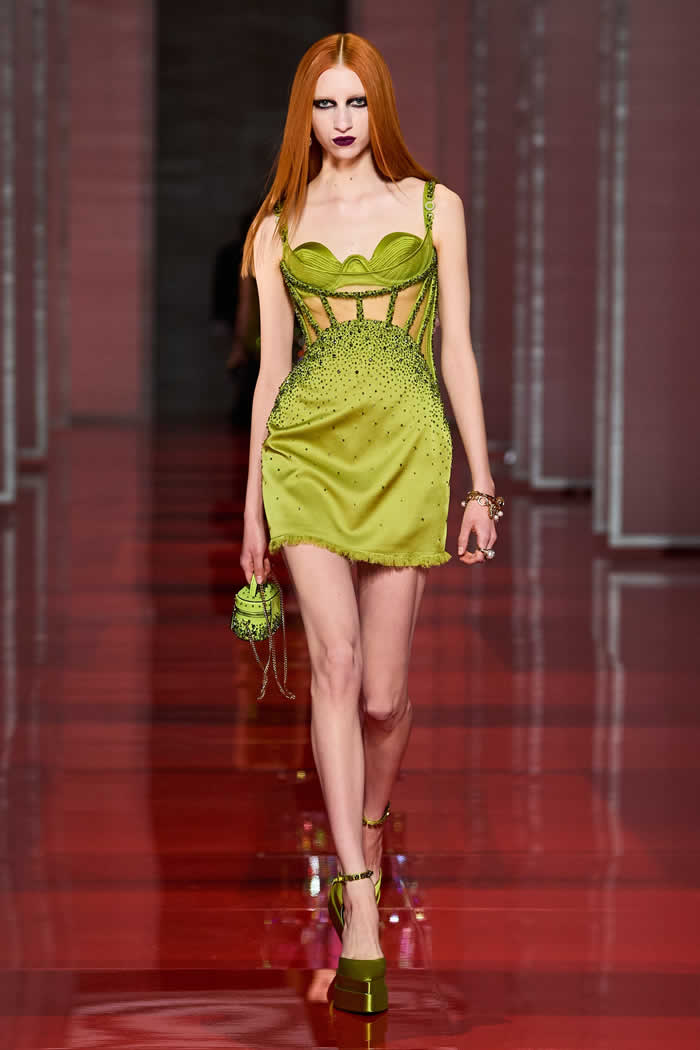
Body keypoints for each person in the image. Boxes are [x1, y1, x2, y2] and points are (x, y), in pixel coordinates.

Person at [239, 32, 501, 1016]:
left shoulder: (435, 208)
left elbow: (457, 350)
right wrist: (254, 506)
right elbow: (270, 373)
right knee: (336, 667)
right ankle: (357, 903)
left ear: (377, 106)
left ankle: (373, 825)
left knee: (385, 699)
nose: (341, 121)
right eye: (324, 105)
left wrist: (481, 485)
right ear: (303, 116)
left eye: (355, 102)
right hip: (305, 455)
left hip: (407, 455)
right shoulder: (277, 225)